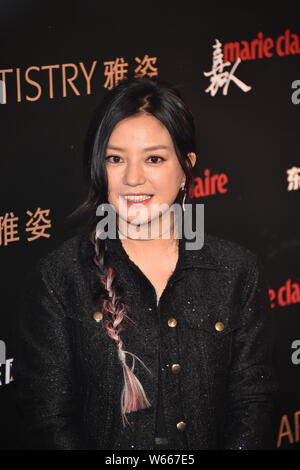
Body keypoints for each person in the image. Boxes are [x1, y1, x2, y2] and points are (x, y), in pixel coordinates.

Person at [13, 76, 279, 450]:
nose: (133, 178)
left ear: (186, 167)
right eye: (115, 158)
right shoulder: (59, 278)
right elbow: (47, 419)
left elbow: (253, 404)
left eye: (154, 158)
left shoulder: (237, 271)